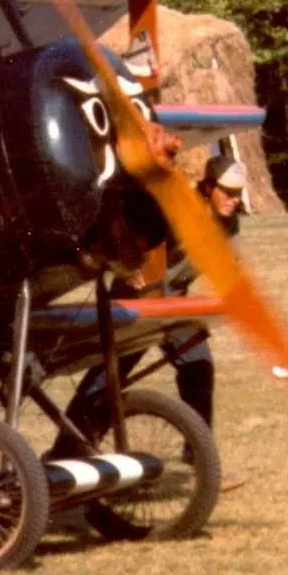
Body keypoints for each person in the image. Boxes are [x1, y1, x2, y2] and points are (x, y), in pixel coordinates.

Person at [55, 154, 248, 488]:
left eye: (238, 192)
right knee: (107, 380)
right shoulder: (176, 213)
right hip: (136, 302)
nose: (234, 199)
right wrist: (126, 268)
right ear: (207, 187)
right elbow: (121, 235)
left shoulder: (228, 223)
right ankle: (64, 455)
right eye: (227, 191)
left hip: (172, 305)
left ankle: (199, 459)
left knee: (198, 365)